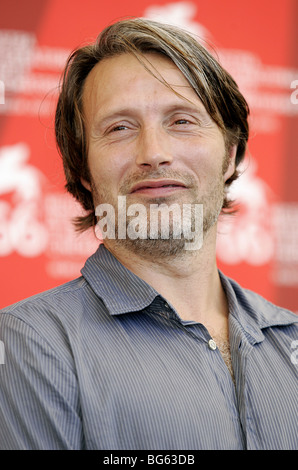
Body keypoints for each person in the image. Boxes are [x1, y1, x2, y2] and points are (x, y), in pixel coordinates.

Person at [0, 18, 297, 451]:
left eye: (182, 121)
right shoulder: (30, 343)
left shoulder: (289, 337)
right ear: (83, 169)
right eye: (120, 127)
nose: (154, 153)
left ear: (230, 155)